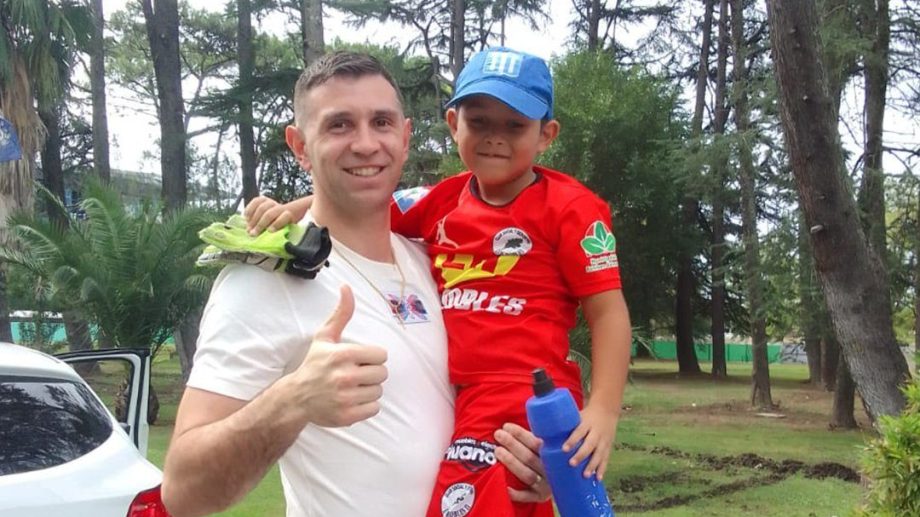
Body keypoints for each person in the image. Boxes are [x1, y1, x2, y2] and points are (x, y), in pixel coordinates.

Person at [246, 47, 632, 517]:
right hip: (466, 396)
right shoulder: (441, 201)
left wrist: (603, 410)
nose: (495, 138)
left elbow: (607, 312)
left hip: (520, 391)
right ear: (453, 124)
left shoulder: (571, 208)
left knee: (461, 502)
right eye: (479, 122)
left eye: (515, 125)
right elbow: (360, 206)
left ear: (546, 135)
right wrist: (291, 210)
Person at [160, 51, 549, 517]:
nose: (366, 144)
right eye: (339, 125)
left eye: (381, 122)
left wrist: (530, 465)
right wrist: (293, 401)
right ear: (300, 145)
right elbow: (182, 492)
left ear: (404, 138)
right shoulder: (263, 279)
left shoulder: (439, 261)